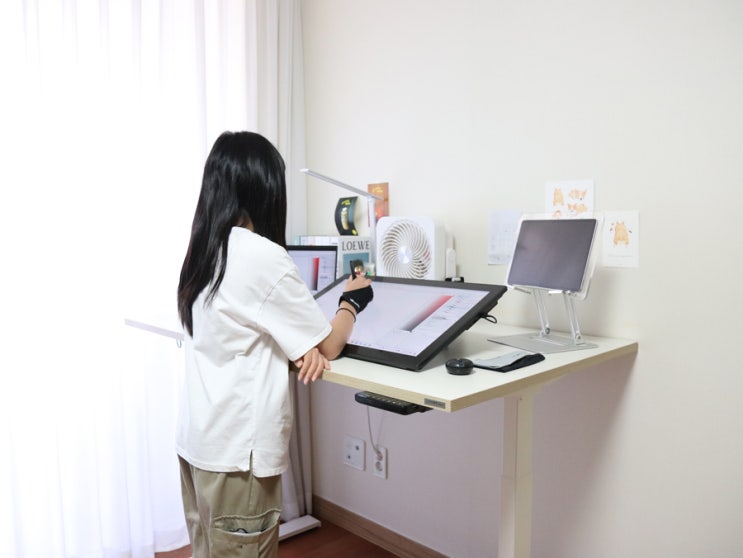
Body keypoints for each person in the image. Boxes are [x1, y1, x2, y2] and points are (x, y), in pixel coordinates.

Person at [176, 131, 373, 557]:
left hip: (199, 445)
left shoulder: (205, 249)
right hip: (237, 457)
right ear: (266, 188)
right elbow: (330, 345)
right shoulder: (262, 256)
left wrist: (295, 347)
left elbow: (239, 333)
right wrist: (352, 302)